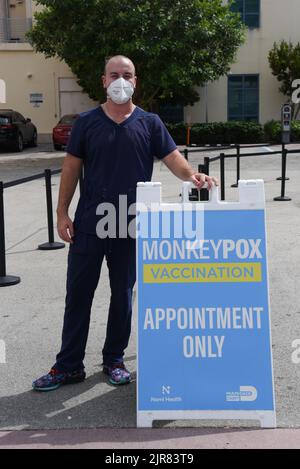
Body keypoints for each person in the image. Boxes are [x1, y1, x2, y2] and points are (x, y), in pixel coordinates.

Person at [32, 55, 218, 391]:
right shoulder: (86, 123)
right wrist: (62, 213)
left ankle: (113, 360)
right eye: (114, 75)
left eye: (127, 75)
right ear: (103, 81)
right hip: (90, 224)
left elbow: (172, 157)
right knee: (78, 295)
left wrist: (194, 176)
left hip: (132, 225)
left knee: (123, 296)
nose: (121, 80)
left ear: (136, 81)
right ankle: (68, 365)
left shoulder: (150, 122)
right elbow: (72, 169)